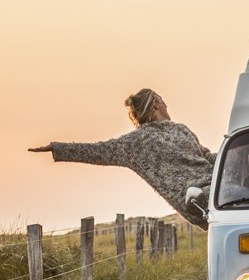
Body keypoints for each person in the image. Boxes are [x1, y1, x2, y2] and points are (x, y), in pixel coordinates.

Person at [29, 89, 215, 230]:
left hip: (219, 181)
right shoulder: (136, 143)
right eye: (165, 103)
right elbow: (97, 151)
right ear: (156, 104)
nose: (167, 107)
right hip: (197, 199)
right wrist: (58, 148)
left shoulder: (181, 129)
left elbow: (207, 157)